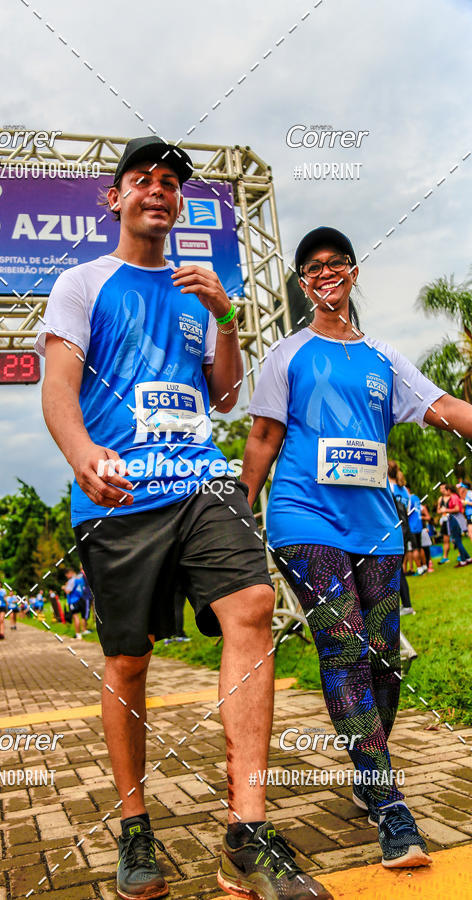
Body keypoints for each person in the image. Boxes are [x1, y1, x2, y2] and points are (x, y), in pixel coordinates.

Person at [36, 137, 333, 900]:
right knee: (129, 660)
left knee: (254, 604)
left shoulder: (202, 288)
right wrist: (83, 456)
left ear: (180, 203)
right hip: (121, 492)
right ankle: (136, 826)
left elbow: (228, 396)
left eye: (171, 182)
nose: (158, 190)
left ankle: (247, 830)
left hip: (202, 481)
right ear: (117, 198)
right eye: (143, 179)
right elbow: (58, 390)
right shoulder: (83, 283)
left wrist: (227, 317)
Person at [241, 224, 472, 870]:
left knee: (384, 664)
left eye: (334, 262)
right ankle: (391, 805)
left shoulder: (384, 359)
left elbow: (445, 406)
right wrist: (239, 510)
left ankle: (368, 764)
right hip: (303, 518)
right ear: (302, 283)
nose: (324, 274)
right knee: (343, 649)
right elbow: (262, 437)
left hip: (375, 526)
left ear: (352, 272)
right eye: (311, 268)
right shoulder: (288, 354)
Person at [387, 463, 415, 613]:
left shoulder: (387, 487)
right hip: (405, 530)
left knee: (395, 570)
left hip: (392, 530)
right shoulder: (404, 490)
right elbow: (409, 511)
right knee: (398, 569)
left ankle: (406, 604)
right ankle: (404, 604)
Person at [445, 483, 471, 566]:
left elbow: (456, 509)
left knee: (457, 540)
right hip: (455, 519)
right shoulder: (456, 497)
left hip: (455, 519)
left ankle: (463, 560)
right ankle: (468, 558)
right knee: (457, 540)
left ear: (448, 490)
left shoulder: (453, 497)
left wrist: (445, 510)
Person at [406, 489, 425, 575]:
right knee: (420, 546)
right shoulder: (416, 497)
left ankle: (419, 568)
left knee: (414, 548)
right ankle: (424, 566)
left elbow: (406, 512)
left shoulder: (409, 498)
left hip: (412, 526)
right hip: (419, 525)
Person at [436, 486, 451, 563]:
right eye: (440, 488)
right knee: (446, 540)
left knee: (456, 539)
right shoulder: (440, 499)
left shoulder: (452, 497)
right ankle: (445, 557)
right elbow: (438, 511)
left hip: (452, 519)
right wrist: (442, 511)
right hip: (445, 520)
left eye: (443, 488)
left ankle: (460, 555)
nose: (441, 490)